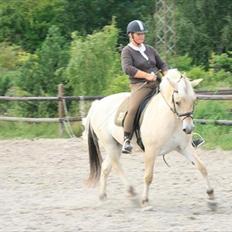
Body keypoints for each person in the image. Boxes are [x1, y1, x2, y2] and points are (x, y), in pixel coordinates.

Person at [121, 20, 168, 154]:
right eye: (139, 34)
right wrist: (146, 76)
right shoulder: (127, 51)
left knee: (178, 100)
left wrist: (168, 76)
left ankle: (188, 135)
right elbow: (128, 68)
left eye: (143, 34)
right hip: (140, 85)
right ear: (131, 35)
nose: (142, 36)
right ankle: (127, 139)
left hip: (158, 83)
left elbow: (162, 64)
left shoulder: (150, 49)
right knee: (133, 108)